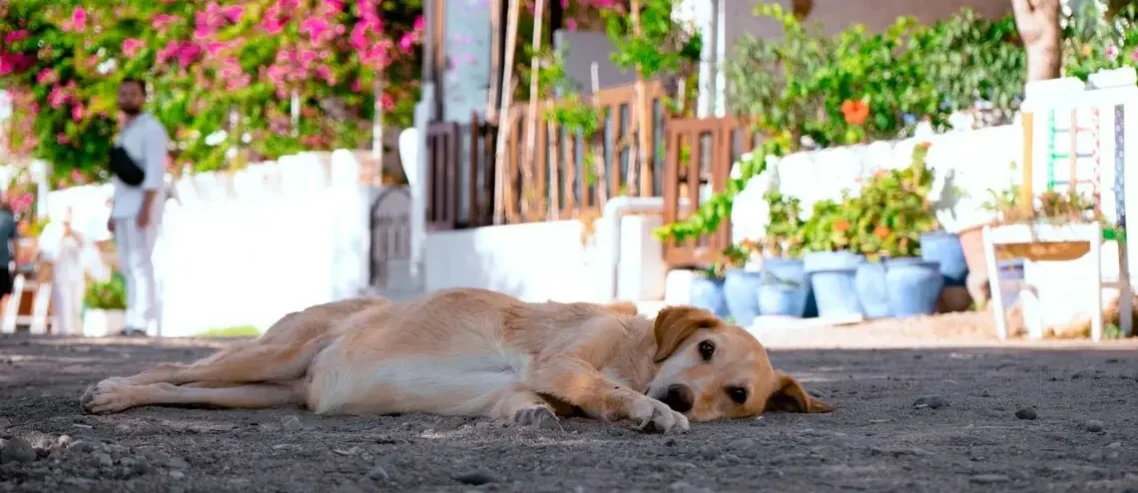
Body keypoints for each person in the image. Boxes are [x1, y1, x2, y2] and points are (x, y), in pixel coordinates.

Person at [107, 77, 169, 337]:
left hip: (141, 207)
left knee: (141, 262)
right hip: (123, 207)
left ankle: (143, 321)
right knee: (128, 265)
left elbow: (155, 172)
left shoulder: (152, 129)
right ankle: (133, 317)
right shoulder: (125, 131)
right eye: (123, 93)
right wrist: (112, 212)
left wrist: (146, 208)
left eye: (133, 94)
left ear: (143, 97)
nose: (127, 98)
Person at [0, 199, 16, 322]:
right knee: (4, 292)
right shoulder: (9, 219)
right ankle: (2, 320)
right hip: (3, 261)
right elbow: (15, 243)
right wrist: (17, 262)